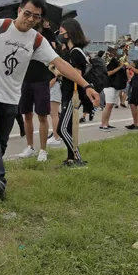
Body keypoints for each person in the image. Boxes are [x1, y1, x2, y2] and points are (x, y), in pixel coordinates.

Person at [0, 0, 100, 198]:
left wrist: (87, 85)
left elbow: (61, 64)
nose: (30, 19)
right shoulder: (0, 26)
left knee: (1, 140)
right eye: (27, 13)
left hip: (10, 96)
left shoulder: (37, 40)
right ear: (19, 11)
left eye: (36, 17)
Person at [55, 19, 95, 167]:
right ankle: (71, 158)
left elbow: (76, 74)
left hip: (73, 94)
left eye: (61, 32)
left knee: (62, 128)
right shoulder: (71, 51)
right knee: (70, 128)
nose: (59, 34)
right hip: (68, 93)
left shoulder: (75, 53)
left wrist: (59, 72)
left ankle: (77, 158)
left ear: (69, 33)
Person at [17, 22, 54, 162]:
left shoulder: (46, 38)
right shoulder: (22, 38)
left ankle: (43, 150)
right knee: (26, 114)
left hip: (41, 80)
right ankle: (30, 147)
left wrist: (47, 29)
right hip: (25, 80)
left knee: (42, 116)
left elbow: (54, 57)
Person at [100, 47, 127, 131]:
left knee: (111, 105)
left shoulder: (117, 60)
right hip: (109, 84)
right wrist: (119, 67)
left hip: (116, 85)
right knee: (108, 105)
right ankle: (103, 124)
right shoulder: (108, 61)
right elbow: (108, 73)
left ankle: (107, 123)